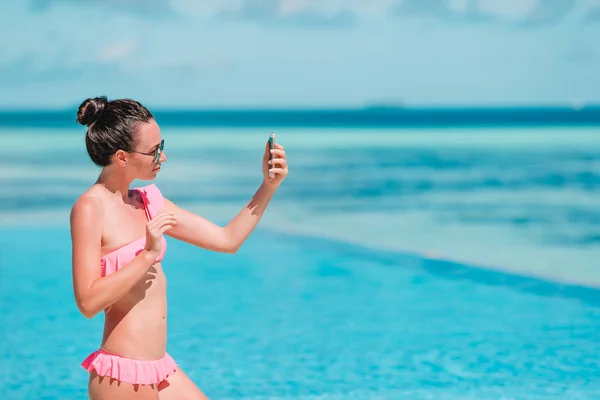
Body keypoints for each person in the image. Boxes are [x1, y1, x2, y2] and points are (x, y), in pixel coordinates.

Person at [69, 96, 289, 400]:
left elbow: (227, 241)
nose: (163, 157)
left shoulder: (149, 203)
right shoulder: (90, 208)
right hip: (122, 378)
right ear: (122, 157)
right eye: (154, 150)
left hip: (161, 370)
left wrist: (268, 186)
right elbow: (87, 302)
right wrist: (146, 256)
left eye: (162, 146)